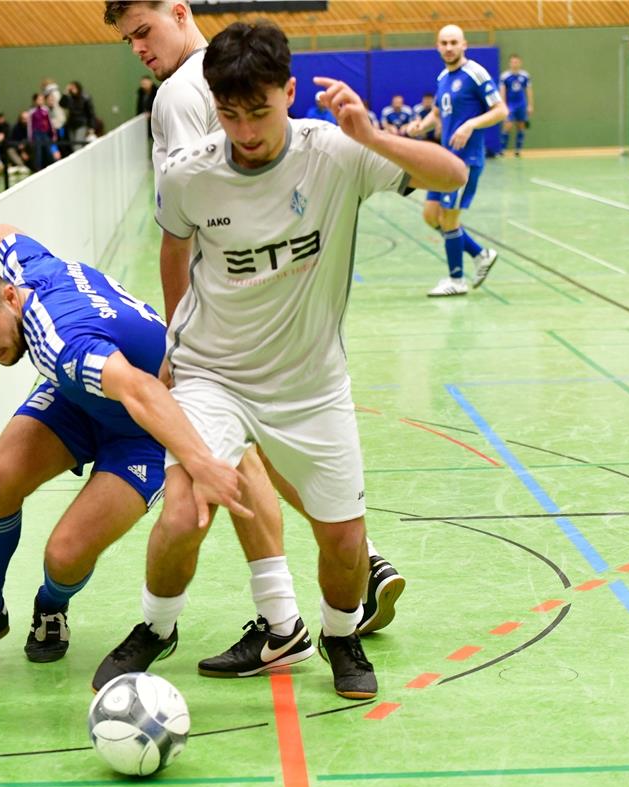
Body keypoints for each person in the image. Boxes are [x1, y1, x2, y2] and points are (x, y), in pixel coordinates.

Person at [91, 20, 466, 699]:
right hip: (215, 373)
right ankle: (156, 626)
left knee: (346, 541)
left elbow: (454, 174)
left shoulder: (338, 153)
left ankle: (341, 635)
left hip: (312, 383)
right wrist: (174, 344)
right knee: (183, 510)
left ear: (290, 91)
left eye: (259, 111)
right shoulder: (188, 175)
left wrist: (373, 137)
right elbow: (174, 249)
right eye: (229, 114)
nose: (246, 131)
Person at [0, 227, 248, 668]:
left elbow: (145, 392)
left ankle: (51, 606)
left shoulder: (64, 343)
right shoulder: (31, 271)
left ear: (10, 300)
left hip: (146, 427)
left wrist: (201, 462)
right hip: (80, 396)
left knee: (64, 555)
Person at [404, 24, 505, 297]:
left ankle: (456, 280)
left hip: (465, 161)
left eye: (453, 42)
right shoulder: (442, 78)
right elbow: (436, 114)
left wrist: (470, 124)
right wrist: (419, 127)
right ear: (438, 46)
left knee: (449, 219)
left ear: (464, 45)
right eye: (444, 43)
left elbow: (500, 110)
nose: (449, 47)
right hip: (445, 160)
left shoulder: (475, 73)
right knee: (430, 215)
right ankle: (480, 253)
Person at [499, 54, 533, 157]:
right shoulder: (505, 76)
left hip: (521, 104)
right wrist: (503, 106)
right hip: (510, 105)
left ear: (520, 63)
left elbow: (529, 91)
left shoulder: (525, 76)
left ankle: (518, 149)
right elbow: (502, 91)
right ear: (510, 63)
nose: (515, 64)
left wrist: (530, 105)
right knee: (507, 125)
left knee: (521, 126)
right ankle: (502, 149)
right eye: (513, 62)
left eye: (516, 62)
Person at [60, 81, 96, 154]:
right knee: (73, 146)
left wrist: (91, 127)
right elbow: (62, 104)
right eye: (71, 88)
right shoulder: (70, 98)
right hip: (71, 124)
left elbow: (90, 113)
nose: (73, 89)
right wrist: (65, 93)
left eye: (74, 87)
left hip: (81, 124)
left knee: (77, 146)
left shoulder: (85, 98)